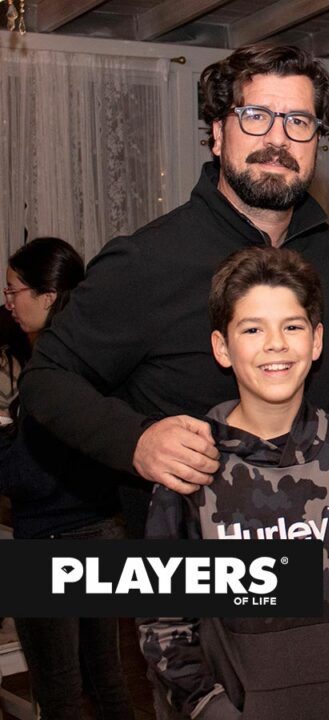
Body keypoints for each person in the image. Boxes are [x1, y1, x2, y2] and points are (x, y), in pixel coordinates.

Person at [17, 44, 329, 538]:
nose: (278, 138)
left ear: (316, 141)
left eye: (298, 121)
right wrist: (136, 441)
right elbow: (45, 378)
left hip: (321, 543)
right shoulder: (148, 260)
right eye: (256, 116)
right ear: (217, 133)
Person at [140, 246, 329, 720]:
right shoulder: (191, 463)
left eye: (292, 327)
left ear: (317, 340)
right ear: (222, 347)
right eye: (252, 329)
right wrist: (214, 711)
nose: (275, 344)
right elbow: (163, 621)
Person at [1, 237, 134, 720]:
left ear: (48, 296)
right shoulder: (95, 358)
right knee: (107, 682)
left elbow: (27, 477)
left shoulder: (49, 373)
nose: (8, 302)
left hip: (49, 542)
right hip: (103, 528)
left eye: (14, 290)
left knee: (60, 694)